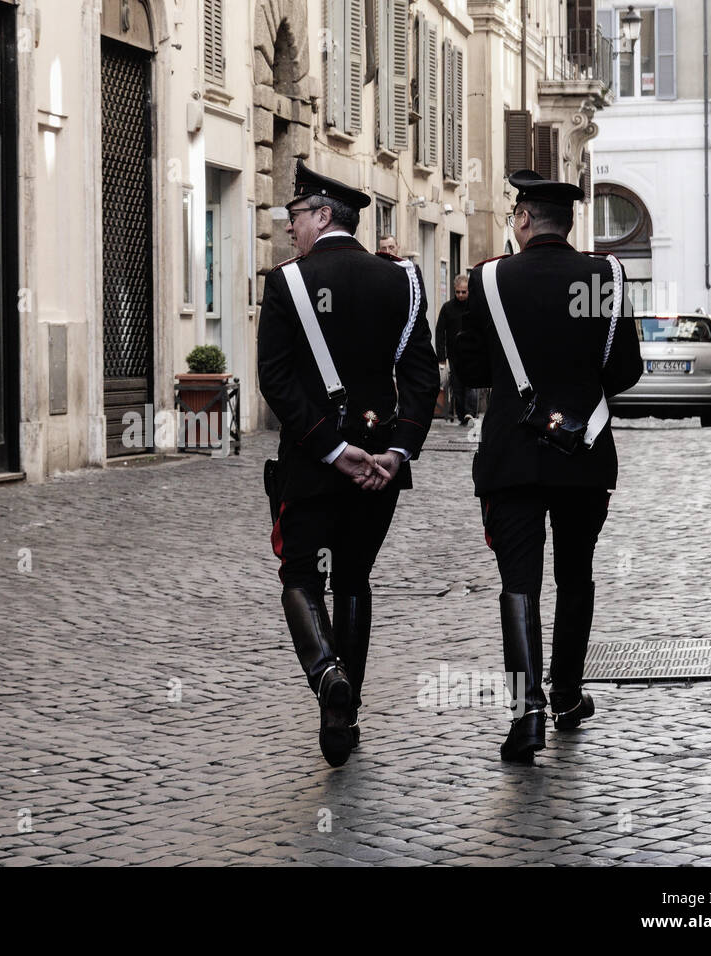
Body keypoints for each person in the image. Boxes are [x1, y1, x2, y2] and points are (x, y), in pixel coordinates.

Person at [454, 169, 642, 763]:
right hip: (583, 453)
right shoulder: (604, 277)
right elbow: (625, 372)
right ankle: (566, 695)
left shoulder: (487, 279)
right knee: (576, 575)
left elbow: (475, 373)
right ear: (569, 224)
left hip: (513, 454)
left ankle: (526, 715)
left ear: (524, 221)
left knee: (519, 583)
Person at [258, 161, 439, 767]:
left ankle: (328, 675)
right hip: (380, 467)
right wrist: (397, 448)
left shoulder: (287, 284)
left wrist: (331, 449)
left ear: (323, 216)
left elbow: (276, 382)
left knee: (300, 575)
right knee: (354, 578)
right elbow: (420, 376)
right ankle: (347, 710)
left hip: (313, 463)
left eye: (296, 216)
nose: (291, 230)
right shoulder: (404, 281)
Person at [436, 275, 478, 425]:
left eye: (463, 292)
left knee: (471, 386)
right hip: (454, 355)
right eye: (458, 292)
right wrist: (441, 356)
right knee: (457, 387)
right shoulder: (447, 308)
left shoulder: (475, 307)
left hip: (472, 354)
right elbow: (440, 332)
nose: (460, 295)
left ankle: (470, 413)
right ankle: (462, 415)